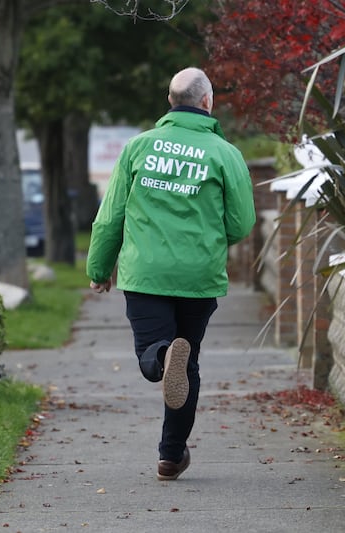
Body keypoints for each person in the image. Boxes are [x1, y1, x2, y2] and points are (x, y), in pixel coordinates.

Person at [85, 67, 256, 481]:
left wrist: (99, 268)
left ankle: (162, 356)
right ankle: (170, 455)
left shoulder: (138, 147)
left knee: (152, 354)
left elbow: (111, 218)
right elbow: (242, 223)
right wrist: (210, 239)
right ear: (207, 103)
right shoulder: (224, 153)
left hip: (146, 273)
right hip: (198, 276)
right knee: (189, 362)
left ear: (169, 102)